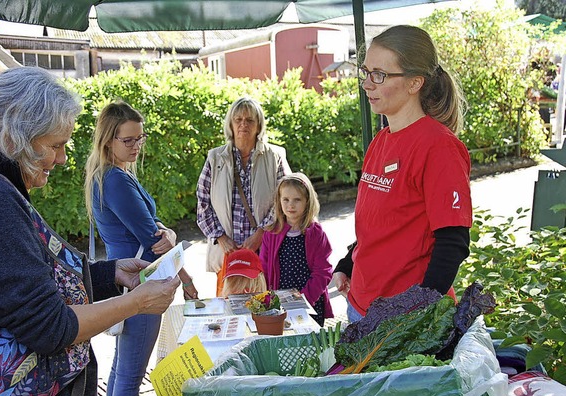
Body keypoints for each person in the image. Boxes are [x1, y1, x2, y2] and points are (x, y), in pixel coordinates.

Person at [0, 67, 179, 396]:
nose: (61, 159)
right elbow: (51, 328)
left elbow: (19, 285)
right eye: (56, 145)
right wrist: (137, 301)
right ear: (16, 137)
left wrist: (109, 274)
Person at [84, 99, 196, 396]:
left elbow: (155, 231)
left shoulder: (110, 175)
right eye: (127, 140)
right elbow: (153, 238)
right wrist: (186, 276)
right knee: (131, 375)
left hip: (129, 280)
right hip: (140, 281)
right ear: (108, 140)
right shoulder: (115, 179)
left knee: (123, 371)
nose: (135, 146)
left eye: (139, 138)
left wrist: (168, 233)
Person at [349, 24, 472, 322]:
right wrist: (346, 263)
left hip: (402, 319)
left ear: (415, 82)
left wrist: (416, 315)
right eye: (365, 72)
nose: (367, 84)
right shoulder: (382, 139)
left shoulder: (439, 146)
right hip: (361, 306)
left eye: (379, 75)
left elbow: (453, 242)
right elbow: (380, 226)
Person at [196, 96, 291, 296]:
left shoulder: (275, 157)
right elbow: (203, 203)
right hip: (227, 254)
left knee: (265, 306)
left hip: (265, 250)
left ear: (258, 126)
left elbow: (285, 199)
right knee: (229, 311)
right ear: (230, 124)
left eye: (250, 120)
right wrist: (220, 237)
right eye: (238, 119)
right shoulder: (215, 158)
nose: (243, 124)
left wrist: (261, 233)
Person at [259, 172, 333, 326]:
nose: (290, 205)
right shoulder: (271, 233)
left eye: (297, 200)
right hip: (280, 304)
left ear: (308, 201)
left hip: (310, 303)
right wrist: (267, 300)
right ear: (279, 201)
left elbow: (323, 272)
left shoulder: (316, 233)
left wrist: (304, 299)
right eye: (285, 199)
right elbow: (264, 269)